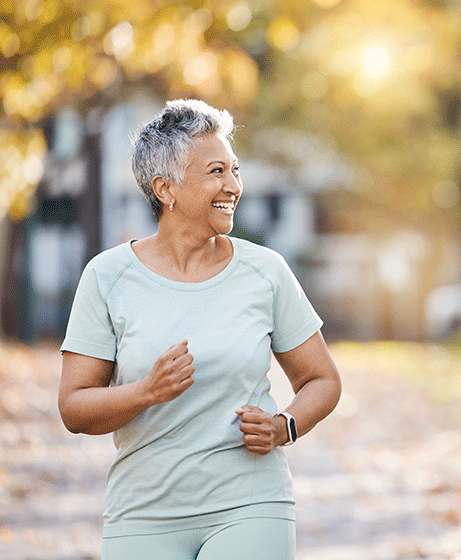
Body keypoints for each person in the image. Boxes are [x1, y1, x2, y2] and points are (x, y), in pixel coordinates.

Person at [57, 99, 342, 560]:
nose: (233, 186)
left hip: (250, 502)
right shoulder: (106, 276)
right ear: (165, 188)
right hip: (143, 511)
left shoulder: (265, 272)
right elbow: (74, 407)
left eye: (234, 170)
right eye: (216, 172)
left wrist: (284, 427)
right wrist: (146, 391)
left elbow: (322, 379)